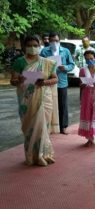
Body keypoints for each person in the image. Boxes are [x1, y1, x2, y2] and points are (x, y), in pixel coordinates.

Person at [10, 35, 59, 166]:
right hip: (26, 100)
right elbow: (13, 81)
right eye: (29, 45)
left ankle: (45, 154)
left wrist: (45, 82)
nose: (32, 48)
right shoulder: (19, 62)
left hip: (44, 97)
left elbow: (55, 79)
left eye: (35, 45)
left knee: (43, 126)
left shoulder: (47, 62)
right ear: (25, 47)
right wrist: (19, 79)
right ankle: (32, 156)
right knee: (30, 128)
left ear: (40, 46)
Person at [40, 32, 75, 135]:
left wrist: (66, 67)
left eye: (56, 40)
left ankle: (63, 126)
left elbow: (72, 64)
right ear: (49, 41)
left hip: (62, 82)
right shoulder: (44, 51)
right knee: (49, 104)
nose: (54, 42)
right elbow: (40, 64)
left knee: (62, 105)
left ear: (59, 41)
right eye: (52, 41)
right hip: (48, 81)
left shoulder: (65, 51)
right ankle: (50, 126)